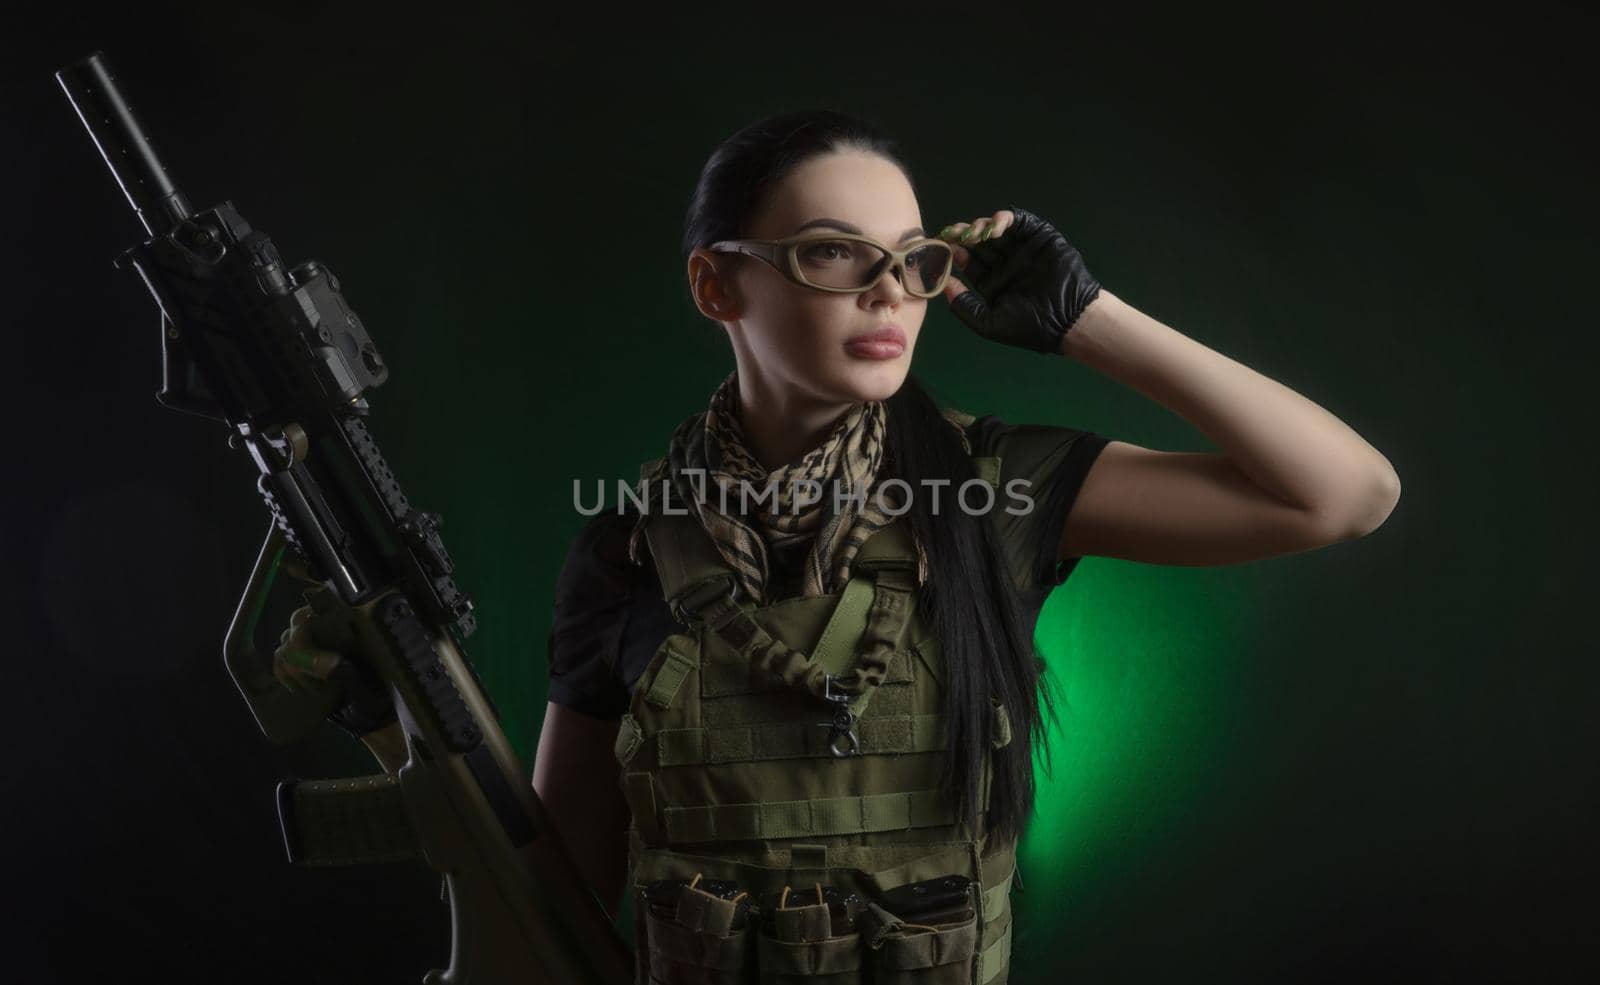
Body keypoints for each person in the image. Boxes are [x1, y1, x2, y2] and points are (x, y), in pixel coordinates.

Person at [281, 109, 1401, 984]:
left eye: (912, 260)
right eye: (830, 252)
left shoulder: (993, 490)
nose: (886, 291)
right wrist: (396, 731)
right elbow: (558, 900)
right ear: (716, 283)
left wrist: (1086, 318)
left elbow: (1343, 494)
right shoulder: (627, 550)